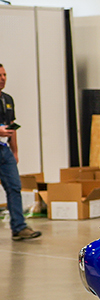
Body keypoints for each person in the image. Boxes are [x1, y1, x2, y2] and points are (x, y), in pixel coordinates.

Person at [0, 64, 41, 241]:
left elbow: (12, 127)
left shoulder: (8, 99)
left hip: (4, 150)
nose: (3, 78)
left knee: (14, 187)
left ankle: (19, 227)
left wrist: (15, 151)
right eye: (0, 75)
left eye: (5, 75)